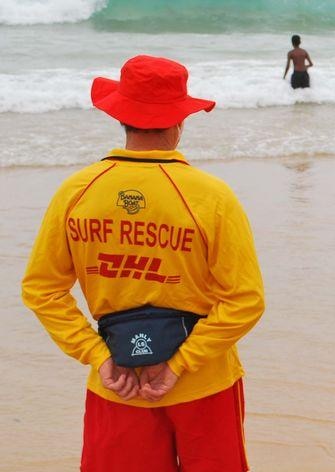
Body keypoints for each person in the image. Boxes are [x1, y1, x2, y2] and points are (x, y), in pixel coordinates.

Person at [21, 55, 265, 472]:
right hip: (204, 382)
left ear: (121, 117)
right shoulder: (210, 196)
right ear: (180, 121)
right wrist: (179, 365)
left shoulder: (77, 191)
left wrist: (98, 355)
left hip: (117, 382)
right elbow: (245, 301)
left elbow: (40, 290)